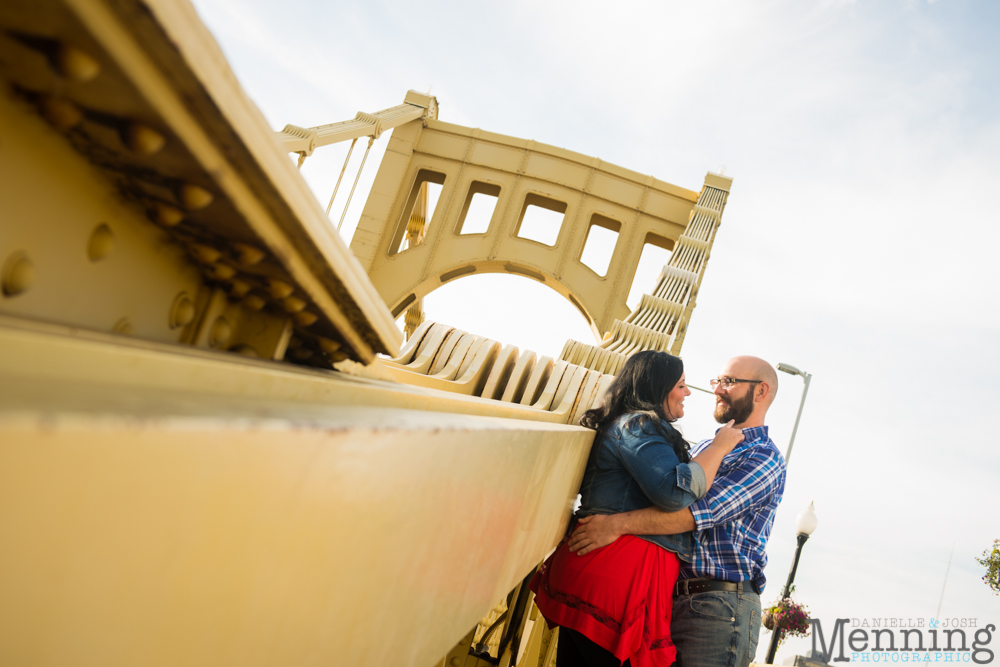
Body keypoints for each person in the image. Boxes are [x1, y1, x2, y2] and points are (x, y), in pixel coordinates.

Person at [567, 356, 787, 667]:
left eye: (729, 382)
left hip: (718, 607)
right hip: (669, 596)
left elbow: (694, 514)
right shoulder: (707, 448)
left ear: (761, 391)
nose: (718, 390)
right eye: (717, 381)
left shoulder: (763, 457)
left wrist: (615, 524)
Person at [530, 350, 746, 667]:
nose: (687, 393)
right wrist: (719, 447)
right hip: (617, 578)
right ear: (658, 387)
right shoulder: (637, 426)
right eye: (681, 385)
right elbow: (674, 493)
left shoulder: (635, 427)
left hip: (619, 574)